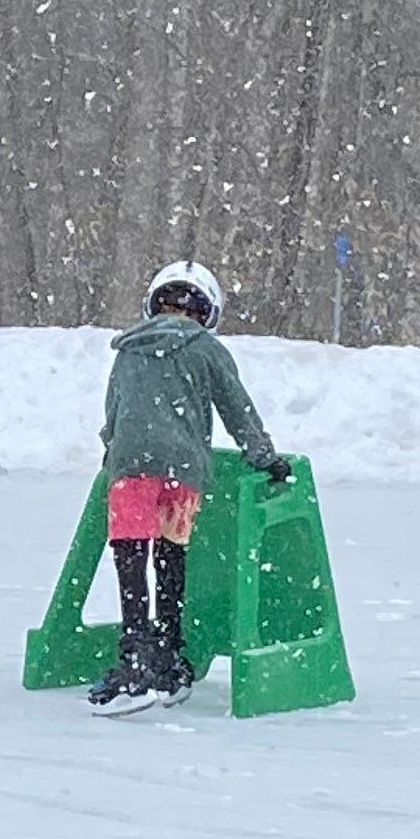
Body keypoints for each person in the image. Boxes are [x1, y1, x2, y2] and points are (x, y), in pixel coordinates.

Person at [90, 261, 294, 714]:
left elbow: (113, 413)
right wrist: (264, 457)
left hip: (130, 466)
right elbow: (236, 409)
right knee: (169, 554)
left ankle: (134, 660)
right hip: (183, 470)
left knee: (131, 558)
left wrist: (116, 451)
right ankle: (168, 657)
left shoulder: (128, 350)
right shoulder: (206, 350)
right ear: (207, 310)